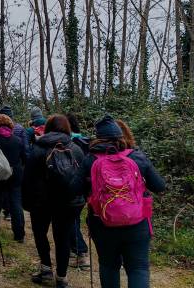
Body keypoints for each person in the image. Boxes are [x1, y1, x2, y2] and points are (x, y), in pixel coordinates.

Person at [77, 115, 166, 288]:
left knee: (108, 266)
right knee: (138, 268)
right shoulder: (137, 157)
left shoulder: (90, 160)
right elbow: (159, 186)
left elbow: (74, 189)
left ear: (98, 137)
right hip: (137, 224)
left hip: (102, 224)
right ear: (121, 136)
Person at [22, 115, 84, 288]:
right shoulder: (76, 149)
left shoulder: (38, 148)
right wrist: (80, 199)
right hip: (67, 202)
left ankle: (46, 269)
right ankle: (62, 278)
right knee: (63, 239)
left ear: (47, 128)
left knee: (40, 235)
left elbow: (28, 178)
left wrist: (26, 201)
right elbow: (82, 177)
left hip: (40, 202)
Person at [0, 114, 26, 242]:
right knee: (16, 202)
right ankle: (19, 233)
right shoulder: (17, 140)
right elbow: (24, 157)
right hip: (15, 173)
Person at [66, 113, 90, 268]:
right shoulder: (85, 140)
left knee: (70, 221)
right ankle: (74, 248)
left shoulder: (69, 142)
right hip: (85, 188)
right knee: (74, 219)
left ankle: (81, 251)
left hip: (73, 185)